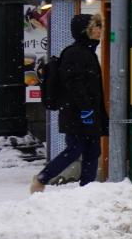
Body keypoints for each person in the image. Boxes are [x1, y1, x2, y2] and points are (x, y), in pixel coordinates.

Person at [29, 13, 105, 192]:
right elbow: (74, 82)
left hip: (86, 111)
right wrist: (86, 109)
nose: (100, 31)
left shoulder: (87, 52)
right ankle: (41, 179)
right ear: (85, 31)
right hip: (76, 112)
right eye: (96, 27)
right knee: (74, 150)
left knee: (92, 151)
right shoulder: (76, 52)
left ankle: (87, 189)